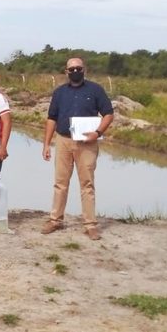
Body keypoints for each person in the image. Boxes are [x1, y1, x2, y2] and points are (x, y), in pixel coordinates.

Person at [41, 57, 114, 240]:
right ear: (66, 72)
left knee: (87, 184)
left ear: (84, 69)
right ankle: (55, 220)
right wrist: (46, 144)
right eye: (71, 69)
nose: (75, 71)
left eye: (78, 68)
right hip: (63, 141)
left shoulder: (95, 90)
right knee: (60, 183)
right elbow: (52, 118)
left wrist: (97, 133)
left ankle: (90, 225)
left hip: (87, 143)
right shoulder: (59, 93)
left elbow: (108, 114)